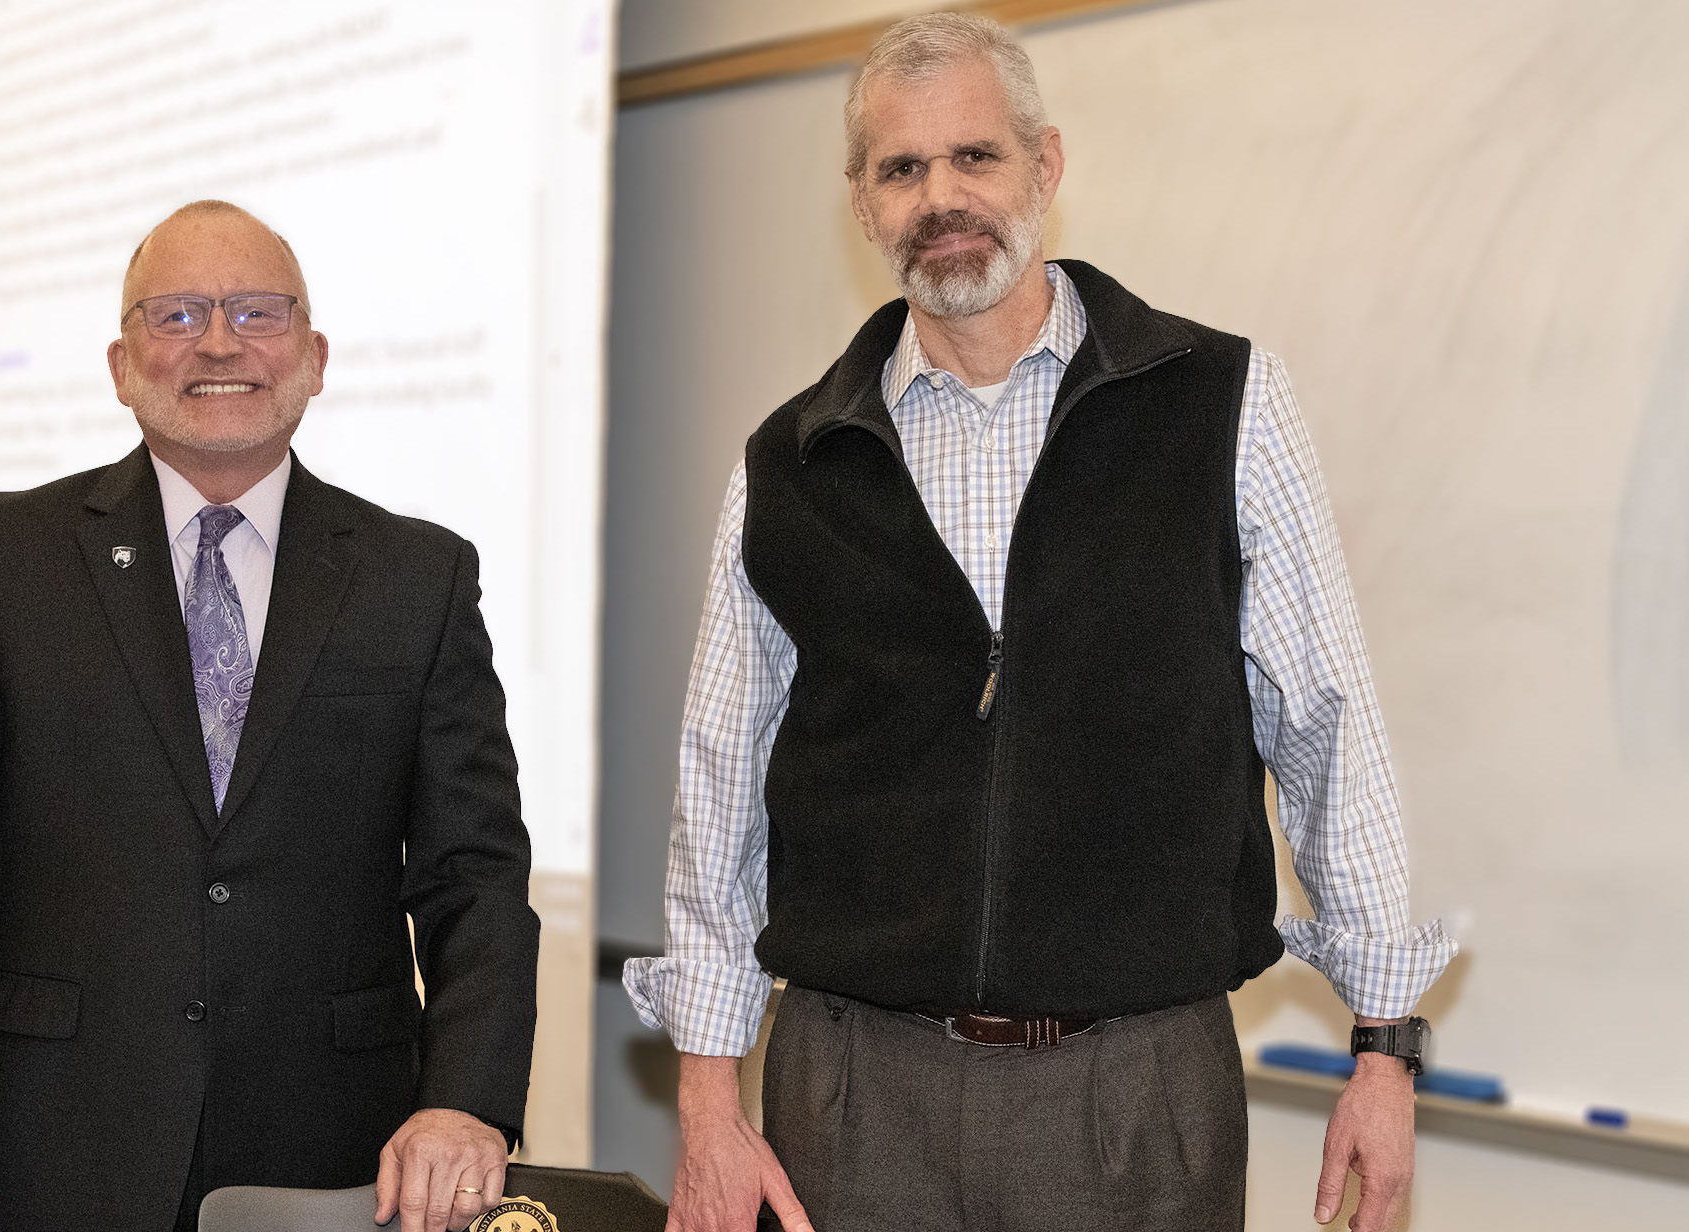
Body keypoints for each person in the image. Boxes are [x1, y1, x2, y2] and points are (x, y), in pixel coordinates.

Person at [622, 14, 1456, 1232]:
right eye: (900, 169)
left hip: (1136, 1088)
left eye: (975, 156)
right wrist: (707, 1100)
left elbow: (1326, 719)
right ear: (859, 202)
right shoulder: (789, 460)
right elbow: (719, 788)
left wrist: (1382, 1047)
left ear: (1045, 167)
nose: (940, 197)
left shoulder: (1220, 403)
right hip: (852, 1096)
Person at [0, 200, 539, 1232]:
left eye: (256, 311)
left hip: (337, 1144)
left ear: (313, 356)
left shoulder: (417, 576)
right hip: (51, 1135)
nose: (217, 341)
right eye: (174, 315)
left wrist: (464, 1097)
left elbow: (473, 876)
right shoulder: (6, 556)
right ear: (122, 365)